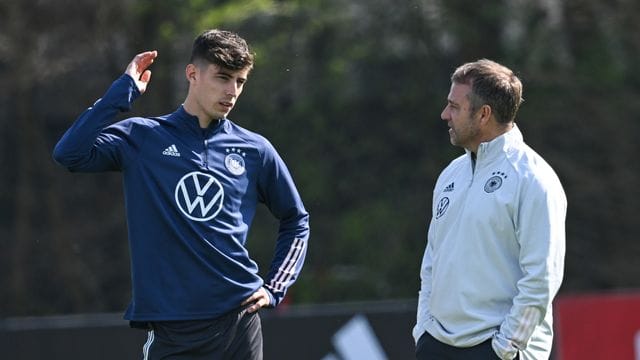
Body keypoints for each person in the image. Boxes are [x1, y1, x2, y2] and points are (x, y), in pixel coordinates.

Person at [53, 29, 310, 359]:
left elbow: (296, 220)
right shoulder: (143, 138)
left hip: (239, 322)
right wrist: (124, 92)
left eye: (240, 81)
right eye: (222, 77)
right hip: (172, 331)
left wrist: (275, 287)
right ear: (192, 74)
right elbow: (69, 153)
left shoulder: (254, 150)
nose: (231, 91)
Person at [412, 59, 566, 360]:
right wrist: (424, 330)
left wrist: (506, 347)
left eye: (454, 107)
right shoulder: (450, 175)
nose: (445, 115)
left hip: (499, 350)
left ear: (483, 114)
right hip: (437, 345)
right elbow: (432, 261)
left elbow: (541, 277)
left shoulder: (534, 179)